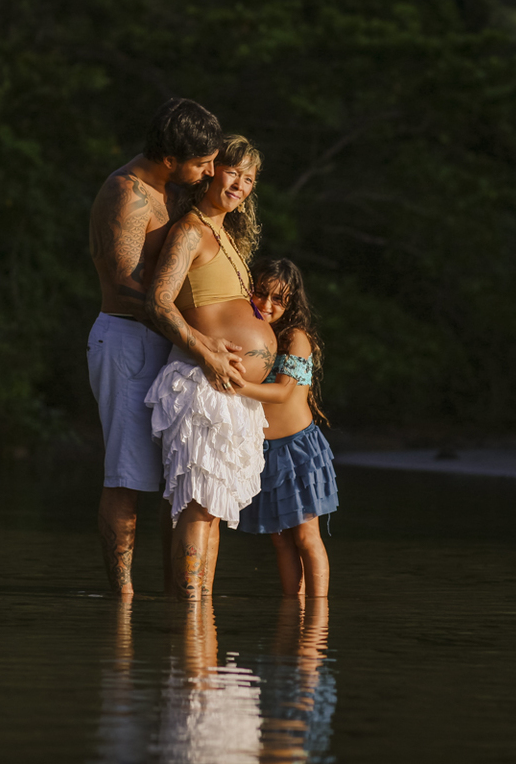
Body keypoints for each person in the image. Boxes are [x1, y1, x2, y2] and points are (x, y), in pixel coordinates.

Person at [87, 98, 247, 596]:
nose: (208, 173)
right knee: (127, 476)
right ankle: (124, 600)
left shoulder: (174, 191)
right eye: (202, 164)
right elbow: (127, 287)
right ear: (170, 158)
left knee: (179, 481)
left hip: (171, 346)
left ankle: (171, 595)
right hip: (129, 342)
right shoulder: (128, 194)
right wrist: (199, 339)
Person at [145, 134, 275, 600]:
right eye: (233, 172)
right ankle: (188, 618)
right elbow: (158, 302)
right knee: (198, 506)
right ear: (211, 171)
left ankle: (196, 618)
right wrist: (206, 352)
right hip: (203, 383)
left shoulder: (229, 239)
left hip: (232, 392)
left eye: (249, 179)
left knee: (210, 508)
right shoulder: (191, 231)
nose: (240, 184)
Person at [234, 258, 338, 597]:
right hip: (263, 453)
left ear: (292, 302)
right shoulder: (255, 335)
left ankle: (317, 621)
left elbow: (282, 392)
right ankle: (293, 612)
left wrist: (235, 384)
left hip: (297, 450)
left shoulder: (296, 338)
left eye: (278, 299)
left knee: (306, 538)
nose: (266, 304)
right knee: (279, 542)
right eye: (261, 293)